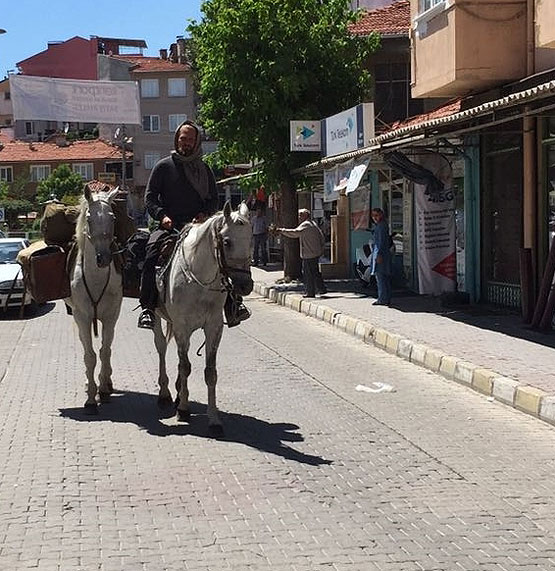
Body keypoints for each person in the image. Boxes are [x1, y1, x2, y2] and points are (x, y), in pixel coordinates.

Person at [138, 120, 249, 329]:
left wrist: (205, 214)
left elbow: (213, 199)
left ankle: (234, 306)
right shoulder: (163, 166)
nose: (186, 143)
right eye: (183, 138)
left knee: (223, 255)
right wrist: (162, 216)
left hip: (200, 226)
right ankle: (148, 308)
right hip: (170, 225)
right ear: (177, 139)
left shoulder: (204, 169)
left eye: (190, 139)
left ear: (196, 142)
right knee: (151, 253)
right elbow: (150, 198)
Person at [273, 209, 327, 298]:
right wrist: (321, 249)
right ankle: (321, 289)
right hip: (314, 252)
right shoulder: (313, 224)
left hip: (309, 253)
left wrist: (281, 230)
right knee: (315, 272)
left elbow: (295, 233)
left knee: (308, 273)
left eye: (300, 215)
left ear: (305, 215)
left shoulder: (306, 224)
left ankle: (310, 292)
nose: (299, 217)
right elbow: (321, 237)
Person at [370, 207, 393, 306]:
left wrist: (378, 254)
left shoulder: (381, 226)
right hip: (382, 253)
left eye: (377, 215)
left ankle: (382, 298)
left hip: (381, 254)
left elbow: (381, 242)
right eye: (373, 216)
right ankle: (385, 297)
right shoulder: (380, 225)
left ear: (381, 215)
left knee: (380, 277)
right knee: (384, 277)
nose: (375, 217)